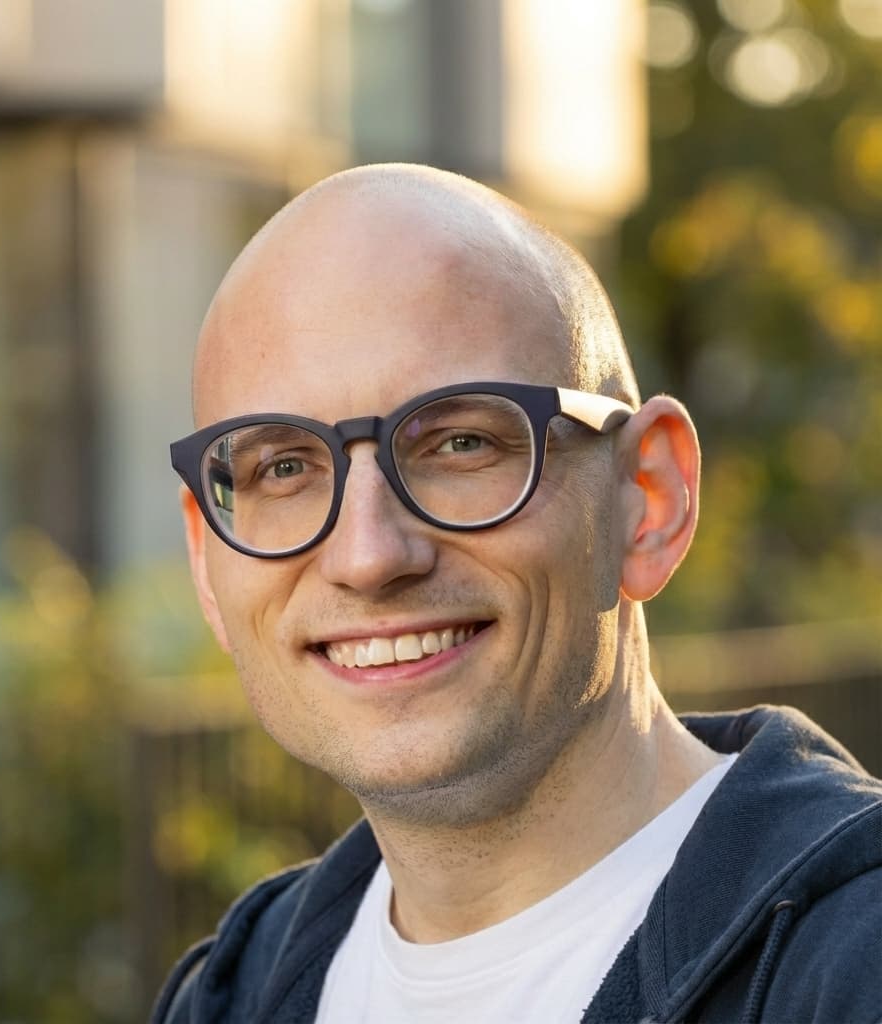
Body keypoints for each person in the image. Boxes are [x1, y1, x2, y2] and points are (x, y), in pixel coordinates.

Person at [153, 164, 882, 1023]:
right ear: (207, 562)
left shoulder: (851, 966)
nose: (368, 555)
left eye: (460, 443)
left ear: (647, 499)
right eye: (283, 467)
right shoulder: (228, 997)